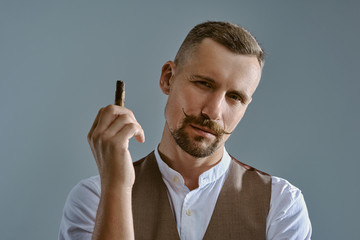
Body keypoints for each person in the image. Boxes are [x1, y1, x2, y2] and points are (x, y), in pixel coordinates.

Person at [59, 21, 312, 240]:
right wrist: (116, 186)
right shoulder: (94, 198)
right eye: (203, 84)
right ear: (168, 78)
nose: (213, 111)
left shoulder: (280, 204)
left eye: (234, 97)